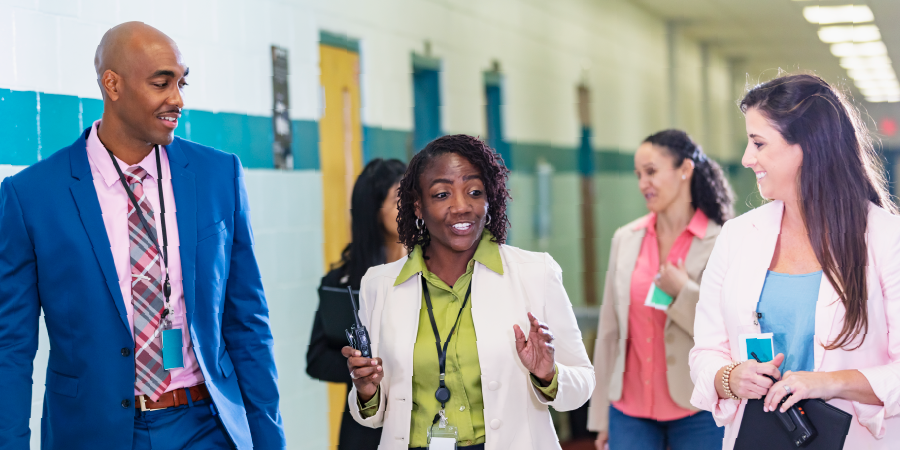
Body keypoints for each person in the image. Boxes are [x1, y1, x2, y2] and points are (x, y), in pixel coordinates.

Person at [0, 22, 284, 449]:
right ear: (112, 84)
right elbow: (12, 346)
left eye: (180, 82)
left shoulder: (217, 176)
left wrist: (269, 438)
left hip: (206, 423)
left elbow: (247, 323)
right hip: (93, 431)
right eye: (161, 83)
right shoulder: (32, 196)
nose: (177, 99)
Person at [339, 135, 594, 450]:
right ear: (418, 206)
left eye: (474, 191)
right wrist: (365, 391)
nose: (461, 206)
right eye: (442, 194)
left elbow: (583, 382)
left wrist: (548, 374)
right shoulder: (379, 285)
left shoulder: (535, 273)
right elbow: (372, 417)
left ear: (490, 199)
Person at [689, 73, 900, 449]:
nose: (746, 158)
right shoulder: (738, 236)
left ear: (807, 146)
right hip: (759, 436)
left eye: (758, 143)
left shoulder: (886, 238)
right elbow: (706, 351)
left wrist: (829, 382)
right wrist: (731, 377)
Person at [588, 130, 734, 450]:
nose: (643, 183)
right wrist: (600, 418)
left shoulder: (724, 240)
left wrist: (683, 291)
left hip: (699, 407)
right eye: (639, 175)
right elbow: (610, 332)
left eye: (651, 172)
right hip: (629, 410)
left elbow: (728, 332)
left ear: (684, 169)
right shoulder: (625, 239)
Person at [306, 157, 407, 449]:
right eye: (399, 199)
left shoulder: (433, 271)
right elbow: (317, 360)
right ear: (373, 211)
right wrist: (365, 370)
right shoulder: (343, 282)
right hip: (365, 429)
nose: (412, 207)